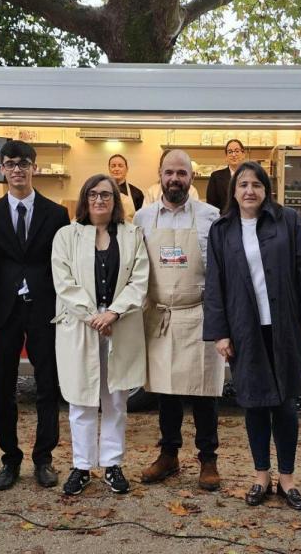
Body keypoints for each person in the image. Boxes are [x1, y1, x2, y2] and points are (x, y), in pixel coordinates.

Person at [203, 160, 301, 511]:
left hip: (285, 325)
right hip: (244, 330)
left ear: (266, 189)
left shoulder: (288, 221)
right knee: (254, 403)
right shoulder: (222, 230)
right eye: (243, 185)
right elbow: (215, 285)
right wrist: (220, 333)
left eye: (256, 184)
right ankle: (261, 475)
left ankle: (287, 478)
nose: (249, 191)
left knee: (285, 403)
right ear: (234, 192)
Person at [0, 140, 71, 490]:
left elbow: (60, 262)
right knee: (3, 387)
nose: (17, 169)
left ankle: (43, 458)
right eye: (10, 163)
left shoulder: (56, 214)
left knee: (48, 385)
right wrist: (7, 287)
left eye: (24, 163)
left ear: (35, 167)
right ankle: (9, 458)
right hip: (4, 310)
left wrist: (37, 286)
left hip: (45, 309)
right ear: (2, 169)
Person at [51, 174, 149, 496]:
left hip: (118, 326)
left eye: (106, 195)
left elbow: (139, 280)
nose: (99, 200)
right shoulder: (66, 235)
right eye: (93, 194)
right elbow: (64, 283)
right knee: (81, 400)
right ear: (84, 199)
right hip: (82, 327)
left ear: (115, 200)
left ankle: (111, 464)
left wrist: (113, 313)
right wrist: (94, 316)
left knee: (116, 399)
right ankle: (81, 466)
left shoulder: (132, 234)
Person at [133, 149, 224, 491]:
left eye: (181, 173)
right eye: (169, 172)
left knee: (204, 392)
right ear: (160, 175)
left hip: (199, 313)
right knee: (166, 390)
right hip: (160, 316)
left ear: (191, 177)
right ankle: (168, 455)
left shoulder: (211, 217)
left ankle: (208, 459)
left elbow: (220, 271)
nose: (175, 179)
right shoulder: (142, 218)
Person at [205, 139, 245, 213]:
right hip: (223, 221)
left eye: (237, 151)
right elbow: (211, 205)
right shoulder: (216, 177)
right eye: (230, 152)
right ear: (226, 157)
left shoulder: (251, 176)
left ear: (243, 154)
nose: (233, 155)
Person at [108, 154, 144, 220]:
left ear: (127, 169)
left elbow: (141, 219)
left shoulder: (137, 193)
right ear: (109, 169)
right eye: (113, 166)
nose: (116, 169)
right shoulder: (102, 191)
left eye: (120, 166)